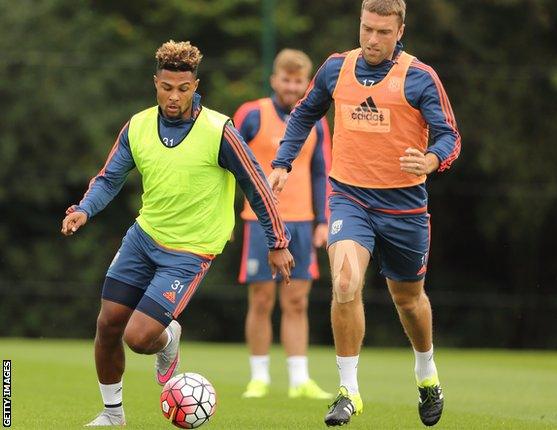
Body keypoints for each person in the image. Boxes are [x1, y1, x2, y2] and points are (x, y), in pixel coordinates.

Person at [60, 40, 294, 427]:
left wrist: (278, 242)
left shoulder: (219, 130)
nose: (174, 96)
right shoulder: (137, 126)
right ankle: (112, 414)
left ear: (195, 85)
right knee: (107, 325)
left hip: (191, 251)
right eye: (167, 88)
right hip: (144, 237)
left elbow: (256, 185)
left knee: (139, 338)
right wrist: (84, 209)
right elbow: (108, 179)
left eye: (183, 89)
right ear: (155, 83)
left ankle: (168, 339)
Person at [268, 0, 461, 426]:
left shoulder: (419, 77)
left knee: (408, 301)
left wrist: (430, 161)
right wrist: (283, 161)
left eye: (383, 32)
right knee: (344, 280)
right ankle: (348, 391)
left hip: (405, 207)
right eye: (367, 29)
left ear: (400, 30)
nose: (373, 40)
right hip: (349, 198)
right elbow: (303, 114)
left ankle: (426, 373)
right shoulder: (336, 68)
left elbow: (450, 136)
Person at [233, 49, 332, 400]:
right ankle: (258, 377)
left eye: (298, 81)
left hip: (303, 222)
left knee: (297, 302)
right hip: (259, 221)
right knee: (261, 300)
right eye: (286, 80)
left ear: (307, 84)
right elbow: (228, 162)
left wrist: (324, 220)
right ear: (274, 80)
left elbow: (323, 171)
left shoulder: (316, 121)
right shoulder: (251, 114)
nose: (291, 87)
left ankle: (299, 380)